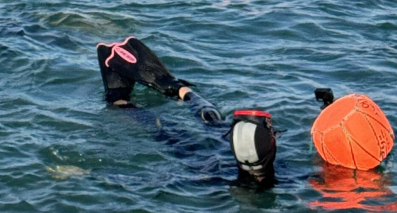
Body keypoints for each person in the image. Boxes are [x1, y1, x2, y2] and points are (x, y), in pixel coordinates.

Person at [97, 36, 278, 189]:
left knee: (209, 117)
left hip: (211, 155)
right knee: (164, 128)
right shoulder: (213, 181)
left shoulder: (213, 179)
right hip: (203, 160)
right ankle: (118, 99)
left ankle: (175, 89)